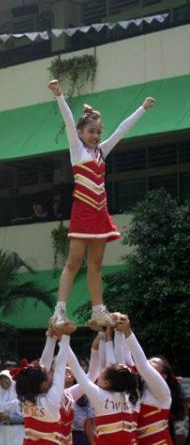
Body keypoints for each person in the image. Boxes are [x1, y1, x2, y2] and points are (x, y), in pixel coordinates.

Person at [48, 78, 155, 329]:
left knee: (96, 264)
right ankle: (60, 311)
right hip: (83, 211)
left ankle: (98, 310)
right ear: (80, 133)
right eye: (90, 131)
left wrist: (142, 108)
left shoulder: (101, 152)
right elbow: (66, 119)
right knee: (73, 262)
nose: (95, 135)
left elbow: (121, 130)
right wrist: (59, 94)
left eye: (98, 132)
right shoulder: (77, 150)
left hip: (99, 213)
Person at [64, 333, 140, 444]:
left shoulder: (100, 396)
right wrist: (105, 337)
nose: (98, 376)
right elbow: (114, 368)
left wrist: (64, 337)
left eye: (101, 374)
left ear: (106, 383)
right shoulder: (126, 393)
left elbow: (77, 370)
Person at [113, 314, 173, 445]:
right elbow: (122, 361)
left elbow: (143, 366)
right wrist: (118, 331)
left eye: (154, 368)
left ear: (163, 376)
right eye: (149, 363)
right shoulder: (139, 390)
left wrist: (128, 331)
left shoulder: (163, 394)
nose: (149, 369)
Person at [14, 321, 75, 444]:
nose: (49, 371)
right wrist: (65, 337)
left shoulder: (26, 398)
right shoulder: (51, 400)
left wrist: (51, 336)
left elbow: (46, 363)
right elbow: (60, 364)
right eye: (47, 373)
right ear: (44, 384)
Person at [0, 370, 24, 444]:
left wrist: (10, 418)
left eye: (6, 378)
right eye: (1, 379)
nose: (3, 381)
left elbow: (25, 417)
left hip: (17, 431)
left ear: (11, 379)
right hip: (2, 431)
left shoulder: (20, 397)